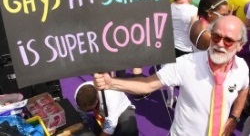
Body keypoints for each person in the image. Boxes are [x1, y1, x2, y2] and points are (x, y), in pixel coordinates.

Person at [94, 15, 249, 136]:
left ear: (240, 45)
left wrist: (234, 117)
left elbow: (244, 87)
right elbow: (148, 84)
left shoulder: (241, 67)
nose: (220, 44)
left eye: (228, 40)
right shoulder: (186, 64)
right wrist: (111, 83)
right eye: (216, 37)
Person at [167, 0, 198, 107]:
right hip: (185, 48)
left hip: (170, 46)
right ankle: (183, 102)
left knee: (169, 74)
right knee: (186, 78)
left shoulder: (169, 7)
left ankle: (169, 100)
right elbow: (194, 32)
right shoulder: (192, 10)